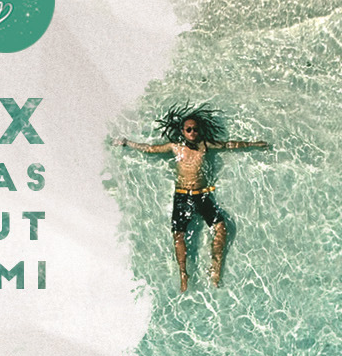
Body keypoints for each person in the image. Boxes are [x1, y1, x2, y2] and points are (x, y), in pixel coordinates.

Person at [115, 107, 269, 289]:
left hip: (202, 195)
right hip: (182, 196)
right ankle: (183, 273)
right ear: (183, 131)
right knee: (178, 236)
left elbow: (228, 145)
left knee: (222, 228)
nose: (192, 132)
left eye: (195, 129)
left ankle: (215, 269)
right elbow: (150, 149)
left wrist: (253, 144)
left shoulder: (205, 146)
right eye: (188, 129)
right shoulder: (175, 147)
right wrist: (127, 143)